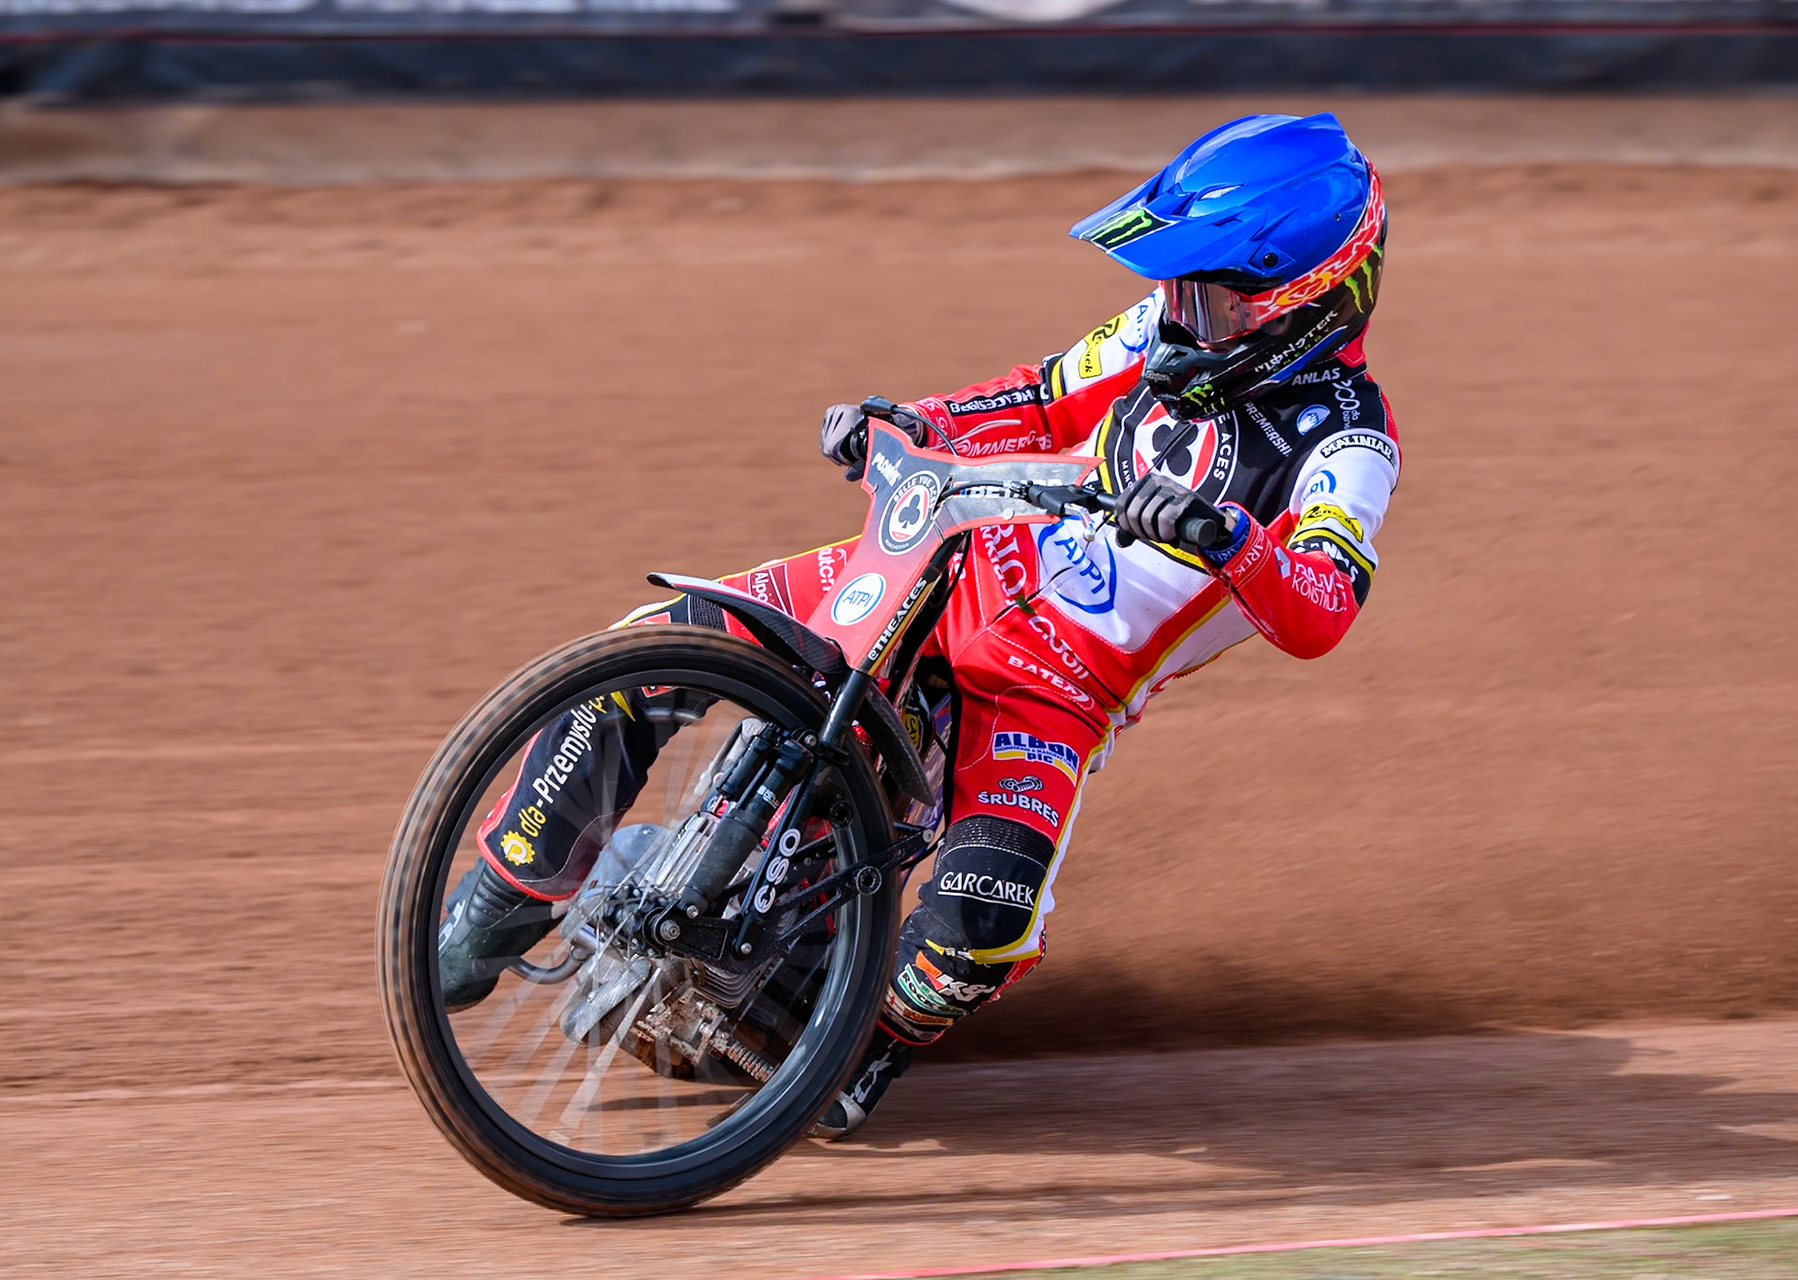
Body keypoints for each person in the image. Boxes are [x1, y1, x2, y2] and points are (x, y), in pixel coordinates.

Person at [437, 112, 1400, 1140]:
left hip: (1054, 694)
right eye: (1172, 287)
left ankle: (865, 1050)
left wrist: (1230, 536)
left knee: (976, 930)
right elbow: (1034, 396)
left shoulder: (1351, 443)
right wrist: (913, 421)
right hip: (954, 563)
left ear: (1307, 303)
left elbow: (1321, 610)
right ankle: (501, 892)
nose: (1174, 315)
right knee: (654, 644)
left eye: (1203, 296)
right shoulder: (1160, 330)